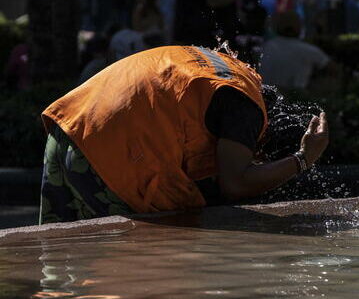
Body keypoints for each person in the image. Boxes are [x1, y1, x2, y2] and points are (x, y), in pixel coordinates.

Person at [39, 45, 329, 224]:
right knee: (139, 278)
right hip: (109, 162)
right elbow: (236, 184)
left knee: (59, 266)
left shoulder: (226, 68)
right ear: (262, 144)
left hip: (71, 127)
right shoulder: (245, 108)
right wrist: (301, 160)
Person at [259, 11, 333, 91]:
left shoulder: (265, 47)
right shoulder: (308, 50)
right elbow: (333, 69)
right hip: (295, 97)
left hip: (264, 96)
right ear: (298, 27)